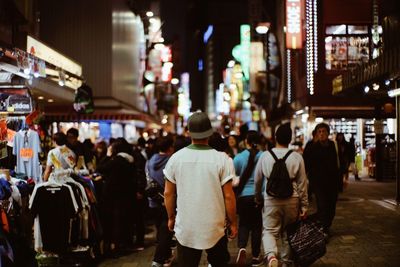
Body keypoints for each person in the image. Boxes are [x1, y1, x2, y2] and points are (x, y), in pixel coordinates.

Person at [164, 112, 237, 267]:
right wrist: (233, 222)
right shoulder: (221, 159)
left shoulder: (176, 159)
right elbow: (229, 196)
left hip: (186, 227)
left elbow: (168, 193)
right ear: (209, 133)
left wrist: (171, 217)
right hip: (215, 227)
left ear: (189, 133)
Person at [254, 123, 308, 267]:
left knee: (269, 231)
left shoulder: (265, 156)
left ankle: (271, 256)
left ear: (275, 137)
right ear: (290, 139)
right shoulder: (297, 157)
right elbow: (303, 183)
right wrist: (304, 205)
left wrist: (258, 198)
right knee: (289, 232)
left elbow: (258, 179)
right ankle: (286, 262)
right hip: (292, 199)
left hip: (271, 198)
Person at [96, 138, 137, 256]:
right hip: (125, 195)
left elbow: (100, 168)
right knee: (121, 221)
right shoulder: (130, 160)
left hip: (112, 196)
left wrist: (107, 156)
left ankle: (114, 248)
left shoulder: (116, 160)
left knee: (113, 221)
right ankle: (120, 245)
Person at [302, 123, 340, 237]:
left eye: (324, 131)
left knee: (331, 207)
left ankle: (325, 225)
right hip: (318, 182)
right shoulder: (312, 146)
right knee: (322, 204)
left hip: (332, 182)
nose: (322, 134)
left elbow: (338, 164)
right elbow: (305, 164)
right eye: (319, 132)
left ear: (328, 133)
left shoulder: (333, 145)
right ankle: (323, 229)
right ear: (316, 134)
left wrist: (341, 180)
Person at [233, 131, 263, 266]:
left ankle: (242, 248)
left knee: (244, 223)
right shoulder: (264, 157)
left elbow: (234, 177)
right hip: (258, 195)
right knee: (257, 226)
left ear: (246, 141)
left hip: (243, 196)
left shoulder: (238, 157)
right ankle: (256, 257)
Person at [147, 135, 175, 267]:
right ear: (170, 147)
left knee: (161, 230)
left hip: (153, 200)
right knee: (167, 230)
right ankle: (159, 259)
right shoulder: (172, 161)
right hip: (167, 200)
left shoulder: (150, 160)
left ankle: (165, 256)